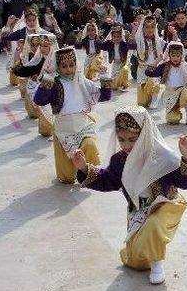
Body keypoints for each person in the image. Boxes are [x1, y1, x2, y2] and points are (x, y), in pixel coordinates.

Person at [72, 105, 187, 285]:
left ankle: (158, 265)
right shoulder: (119, 160)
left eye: (133, 139)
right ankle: (145, 256)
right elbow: (109, 180)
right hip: (138, 209)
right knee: (136, 261)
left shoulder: (162, 156)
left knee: (154, 225)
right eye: (122, 139)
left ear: (145, 134)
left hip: (165, 205)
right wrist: (84, 168)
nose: (127, 145)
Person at [34, 47, 112, 184]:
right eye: (64, 66)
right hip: (63, 130)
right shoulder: (54, 83)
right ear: (57, 66)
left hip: (83, 125)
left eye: (71, 65)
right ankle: (71, 171)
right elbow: (39, 101)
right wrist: (47, 78)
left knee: (90, 145)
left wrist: (104, 77)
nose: (69, 69)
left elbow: (105, 96)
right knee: (67, 178)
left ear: (76, 64)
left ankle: (88, 173)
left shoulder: (82, 81)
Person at [145, 41, 187, 125]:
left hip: (182, 92)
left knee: (186, 92)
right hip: (170, 94)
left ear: (182, 55)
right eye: (173, 56)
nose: (175, 58)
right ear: (169, 55)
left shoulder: (186, 66)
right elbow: (149, 73)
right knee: (172, 120)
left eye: (178, 56)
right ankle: (175, 112)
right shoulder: (164, 66)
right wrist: (158, 60)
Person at [12, 33, 60, 137]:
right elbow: (24, 70)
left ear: (52, 46)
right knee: (46, 129)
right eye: (41, 45)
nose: (42, 48)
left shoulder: (59, 59)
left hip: (58, 92)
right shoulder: (38, 58)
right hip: (43, 92)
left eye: (46, 46)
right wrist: (19, 60)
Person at [131, 15, 168, 109]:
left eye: (152, 27)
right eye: (147, 27)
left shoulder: (159, 41)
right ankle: (149, 96)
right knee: (142, 103)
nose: (150, 29)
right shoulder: (139, 41)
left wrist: (160, 60)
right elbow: (129, 45)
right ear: (142, 27)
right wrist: (134, 30)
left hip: (154, 69)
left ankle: (155, 98)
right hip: (142, 69)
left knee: (153, 82)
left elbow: (169, 48)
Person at [99, 23, 132, 91]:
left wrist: (128, 38)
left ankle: (124, 84)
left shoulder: (124, 44)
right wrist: (99, 36)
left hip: (123, 63)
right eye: (114, 36)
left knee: (124, 71)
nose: (116, 38)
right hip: (115, 63)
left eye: (118, 37)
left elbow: (130, 46)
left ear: (121, 36)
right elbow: (101, 46)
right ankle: (117, 84)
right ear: (112, 36)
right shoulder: (109, 43)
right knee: (114, 83)